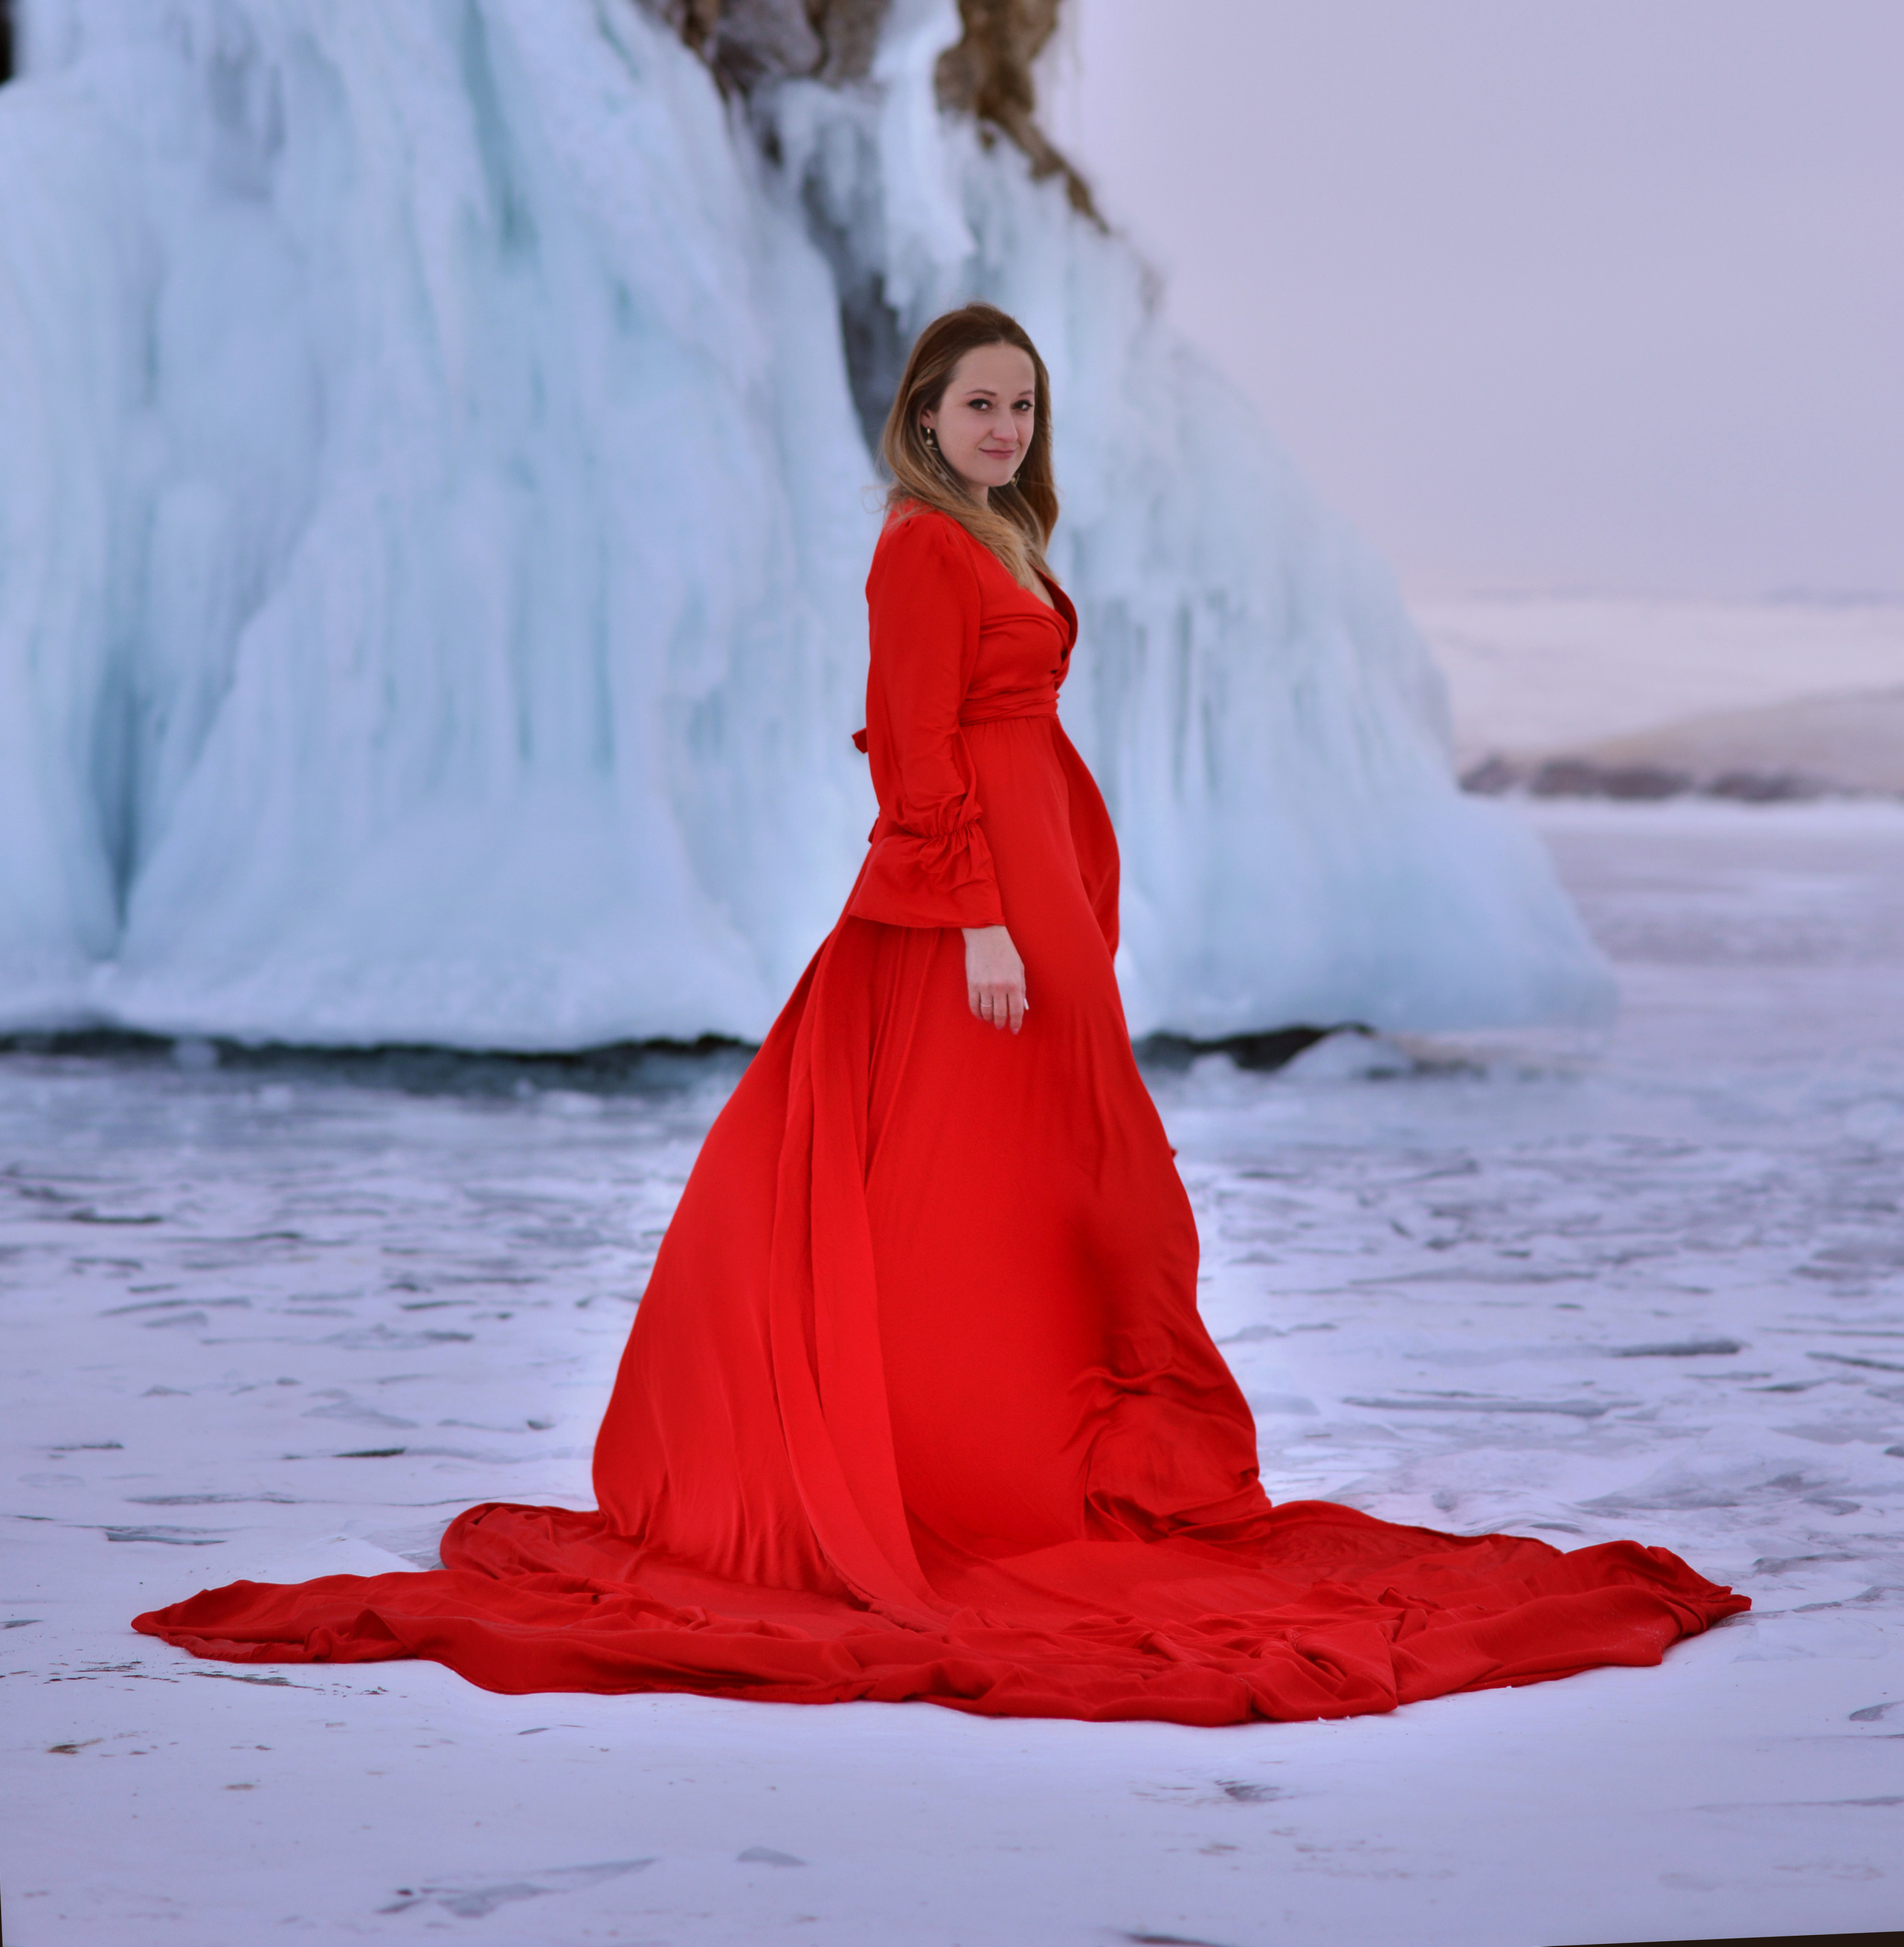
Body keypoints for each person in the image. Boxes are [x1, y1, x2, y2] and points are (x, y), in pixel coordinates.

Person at [136, 303, 1744, 1719]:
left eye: (1023, 405)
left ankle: (1016, 1446)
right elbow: (909, 746)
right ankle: (922, 1456)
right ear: (919, 418)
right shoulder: (917, 546)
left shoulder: (1003, 540)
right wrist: (972, 910)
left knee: (1050, 1184)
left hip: (1037, 896)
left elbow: (1013, 733)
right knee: (950, 1175)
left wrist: (1062, 891)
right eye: (977, 402)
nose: (1002, 426)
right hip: (966, 907)